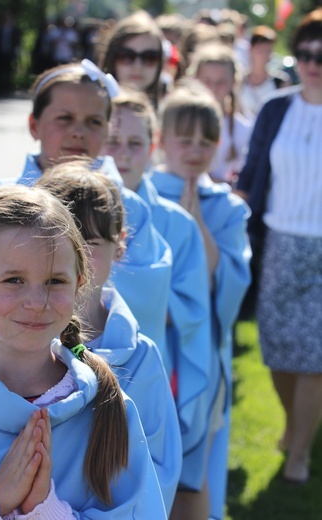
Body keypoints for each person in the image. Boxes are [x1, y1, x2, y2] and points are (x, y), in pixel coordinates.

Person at [0, 184, 167, 518]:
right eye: (13, 280)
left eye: (54, 281)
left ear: (80, 284)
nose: (37, 303)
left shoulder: (110, 410)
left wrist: (44, 509)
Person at [0, 59, 172, 353]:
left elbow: (146, 296)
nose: (79, 132)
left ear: (108, 131)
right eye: (65, 118)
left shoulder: (130, 207)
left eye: (93, 122)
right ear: (34, 125)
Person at [37, 162, 182, 515]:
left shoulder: (141, 359)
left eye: (89, 241)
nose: (73, 256)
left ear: (120, 246)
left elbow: (157, 475)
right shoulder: (9, 345)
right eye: (59, 239)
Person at [102, 86, 213, 516]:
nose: (122, 155)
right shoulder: (65, 209)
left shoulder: (176, 225)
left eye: (134, 144)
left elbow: (193, 313)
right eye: (113, 141)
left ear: (152, 148)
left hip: (153, 371)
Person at [150, 81, 251, 519]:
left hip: (202, 353)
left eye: (206, 140)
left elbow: (227, 286)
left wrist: (195, 224)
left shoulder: (226, 207)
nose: (195, 150)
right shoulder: (141, 196)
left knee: (195, 459)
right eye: (184, 139)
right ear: (161, 140)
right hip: (155, 348)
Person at [236, 8, 322, 484]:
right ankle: (294, 424)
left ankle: (301, 452)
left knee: (315, 355)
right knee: (277, 349)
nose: (313, 62)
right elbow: (251, 174)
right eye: (306, 52)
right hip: (278, 245)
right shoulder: (276, 108)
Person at [186, 43, 252, 185]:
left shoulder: (243, 129)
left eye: (221, 82)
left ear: (233, 82)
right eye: (206, 81)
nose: (213, 88)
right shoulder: (181, 123)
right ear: (195, 79)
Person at [99, 10, 165, 108]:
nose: (138, 66)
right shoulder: (90, 110)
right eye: (127, 56)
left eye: (149, 57)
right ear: (112, 58)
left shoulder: (168, 117)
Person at [238, 25, 291, 121]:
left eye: (268, 50)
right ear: (251, 50)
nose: (264, 54)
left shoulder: (280, 82)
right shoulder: (238, 79)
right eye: (260, 49)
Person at [0, 11, 21, 97]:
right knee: (0, 72)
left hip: (10, 54)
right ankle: (0, 90)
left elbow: (17, 42)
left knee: (9, 73)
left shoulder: (15, 30)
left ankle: (7, 89)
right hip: (0, 53)